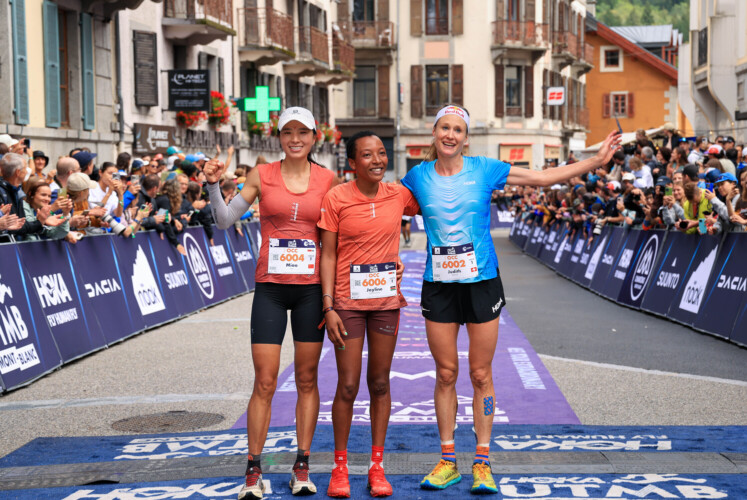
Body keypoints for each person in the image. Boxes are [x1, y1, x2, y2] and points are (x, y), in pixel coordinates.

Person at [400, 104, 621, 494]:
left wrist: (596, 161)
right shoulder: (417, 176)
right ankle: (448, 460)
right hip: (439, 285)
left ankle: (482, 462)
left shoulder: (485, 168)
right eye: (444, 128)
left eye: (457, 129)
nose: (450, 135)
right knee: (446, 374)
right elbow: (386, 212)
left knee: (480, 374)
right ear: (433, 133)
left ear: (466, 138)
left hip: (482, 281)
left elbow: (541, 177)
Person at [204, 107, 337, 500]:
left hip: (311, 290)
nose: (295, 139)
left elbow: (338, 238)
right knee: (265, 380)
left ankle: (302, 466)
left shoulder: (328, 180)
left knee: (307, 379)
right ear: (279, 137)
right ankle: (253, 470)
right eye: (288, 132)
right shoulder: (261, 175)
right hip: (271, 289)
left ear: (314, 137)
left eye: (302, 132)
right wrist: (213, 185)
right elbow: (225, 219)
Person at [319, 132, 418, 498]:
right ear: (352, 162)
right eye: (367, 155)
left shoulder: (399, 195)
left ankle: (377, 466)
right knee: (348, 385)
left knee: (379, 383)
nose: (377, 160)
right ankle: (340, 467)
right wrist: (328, 306)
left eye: (381, 153)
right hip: (347, 304)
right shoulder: (337, 198)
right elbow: (328, 254)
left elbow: (440, 199)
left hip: (385, 304)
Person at [20, 178, 74, 242]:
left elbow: (59, 234)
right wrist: (51, 209)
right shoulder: (23, 205)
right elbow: (29, 224)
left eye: (49, 196)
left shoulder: (49, 212)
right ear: (31, 194)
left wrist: (65, 214)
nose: (47, 199)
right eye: (43, 195)